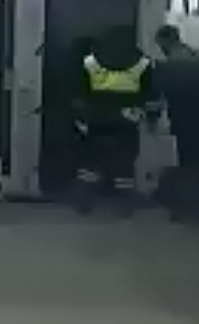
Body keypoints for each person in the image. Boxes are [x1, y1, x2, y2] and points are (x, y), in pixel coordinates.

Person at [69, 25, 160, 217]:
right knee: (124, 166)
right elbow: (151, 97)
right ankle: (126, 208)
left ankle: (82, 203)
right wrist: (152, 119)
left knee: (91, 165)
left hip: (97, 121)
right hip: (127, 122)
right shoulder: (142, 64)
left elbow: (78, 95)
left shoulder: (90, 63)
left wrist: (80, 118)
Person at [154, 24, 199, 225]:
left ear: (164, 42)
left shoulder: (165, 66)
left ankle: (185, 211)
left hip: (183, 123)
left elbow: (156, 98)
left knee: (188, 165)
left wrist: (153, 119)